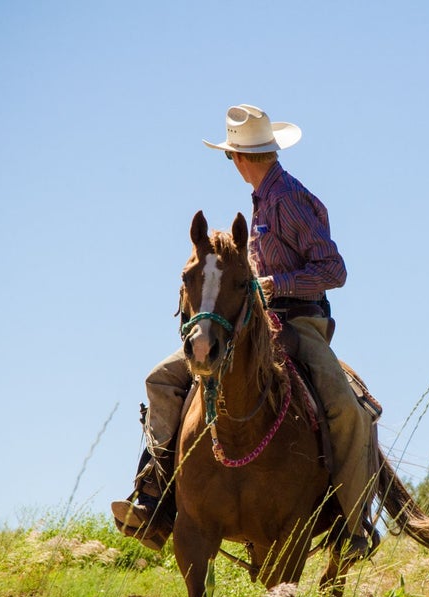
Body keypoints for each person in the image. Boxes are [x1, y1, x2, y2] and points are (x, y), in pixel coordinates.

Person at [112, 104, 375, 558]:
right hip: (249, 322)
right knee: (163, 379)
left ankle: (352, 529)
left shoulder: (289, 198)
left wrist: (278, 283)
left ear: (239, 156)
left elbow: (334, 270)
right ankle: (154, 496)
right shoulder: (259, 200)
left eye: (230, 156)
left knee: (345, 407)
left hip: (298, 322)